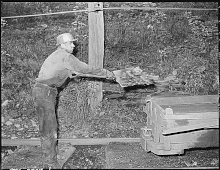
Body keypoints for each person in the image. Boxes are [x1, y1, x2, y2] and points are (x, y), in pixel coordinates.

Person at [32, 33, 115, 168]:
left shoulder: (57, 55)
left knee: (48, 126)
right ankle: (51, 163)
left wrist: (68, 74)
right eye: (71, 43)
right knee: (49, 128)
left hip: (44, 91)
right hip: (45, 92)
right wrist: (106, 73)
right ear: (63, 45)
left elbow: (57, 72)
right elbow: (86, 68)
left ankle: (50, 156)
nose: (73, 45)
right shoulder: (66, 56)